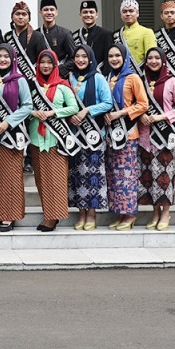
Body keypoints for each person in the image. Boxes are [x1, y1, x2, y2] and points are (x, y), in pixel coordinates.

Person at [25, 50, 78, 231]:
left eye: (49, 62)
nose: (45, 66)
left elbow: (73, 107)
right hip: (36, 138)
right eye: (42, 62)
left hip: (56, 138)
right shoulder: (32, 87)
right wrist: (33, 112)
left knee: (55, 179)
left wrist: (53, 113)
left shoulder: (63, 86)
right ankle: (47, 213)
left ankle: (53, 217)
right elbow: (24, 107)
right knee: (41, 179)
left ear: (55, 65)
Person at [0, 43, 33, 232]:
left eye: (6, 56)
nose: (2, 59)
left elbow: (27, 106)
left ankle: (10, 215)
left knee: (11, 177)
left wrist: (6, 123)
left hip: (12, 136)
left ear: (12, 59)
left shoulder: (19, 80)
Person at [136, 46, 175, 231]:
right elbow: (136, 104)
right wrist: (140, 115)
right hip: (145, 137)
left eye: (157, 58)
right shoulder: (141, 81)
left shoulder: (173, 82)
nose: (154, 61)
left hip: (165, 136)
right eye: (150, 58)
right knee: (149, 176)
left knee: (164, 176)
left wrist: (160, 117)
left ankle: (166, 213)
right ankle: (155, 212)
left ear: (163, 60)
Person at [100, 44, 148, 230]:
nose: (114, 59)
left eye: (117, 56)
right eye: (111, 56)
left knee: (127, 176)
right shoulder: (108, 77)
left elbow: (143, 104)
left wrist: (121, 113)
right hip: (110, 135)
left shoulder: (133, 77)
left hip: (128, 133)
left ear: (125, 57)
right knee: (114, 177)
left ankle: (130, 215)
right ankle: (120, 214)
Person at [66, 44, 113, 230]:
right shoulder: (69, 79)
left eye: (84, 56)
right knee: (77, 173)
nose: (80, 60)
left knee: (92, 173)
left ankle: (92, 214)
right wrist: (70, 115)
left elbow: (107, 103)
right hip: (74, 133)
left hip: (93, 133)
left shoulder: (99, 78)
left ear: (90, 58)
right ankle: (81, 212)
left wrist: (86, 110)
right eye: (77, 56)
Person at [6, 1, 48, 74]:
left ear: (29, 18)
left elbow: (43, 59)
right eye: (17, 14)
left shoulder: (37, 36)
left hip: (32, 77)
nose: (20, 17)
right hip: (12, 77)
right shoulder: (7, 36)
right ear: (12, 17)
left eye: (24, 14)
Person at [72, 0, 113, 70]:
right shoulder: (74, 35)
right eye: (85, 12)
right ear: (80, 15)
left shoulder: (105, 34)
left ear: (97, 15)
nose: (88, 15)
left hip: (99, 75)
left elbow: (108, 60)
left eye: (91, 12)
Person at [116, 0, 156, 67]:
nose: (128, 14)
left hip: (140, 75)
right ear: (121, 15)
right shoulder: (116, 34)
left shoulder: (147, 32)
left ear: (137, 13)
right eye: (124, 11)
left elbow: (152, 57)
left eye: (131, 11)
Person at [38, 0, 75, 74]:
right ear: (40, 13)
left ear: (56, 12)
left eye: (52, 10)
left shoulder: (65, 33)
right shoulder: (35, 34)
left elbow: (73, 57)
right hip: (40, 75)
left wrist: (60, 70)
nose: (49, 12)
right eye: (45, 10)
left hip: (59, 76)